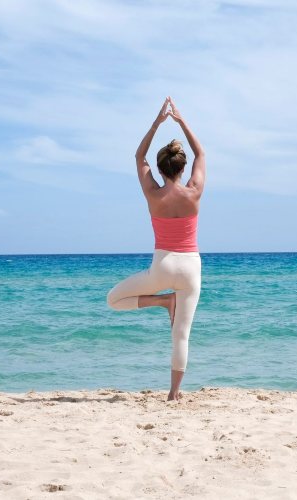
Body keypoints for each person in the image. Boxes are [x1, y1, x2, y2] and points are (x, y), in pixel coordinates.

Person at [107, 96, 206, 402]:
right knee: (181, 335)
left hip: (162, 266)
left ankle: (163, 302)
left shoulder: (152, 192)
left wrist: (156, 124)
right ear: (182, 167)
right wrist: (181, 121)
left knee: (113, 300)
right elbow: (201, 152)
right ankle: (174, 395)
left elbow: (139, 157)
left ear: (161, 169)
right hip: (190, 268)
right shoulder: (194, 192)